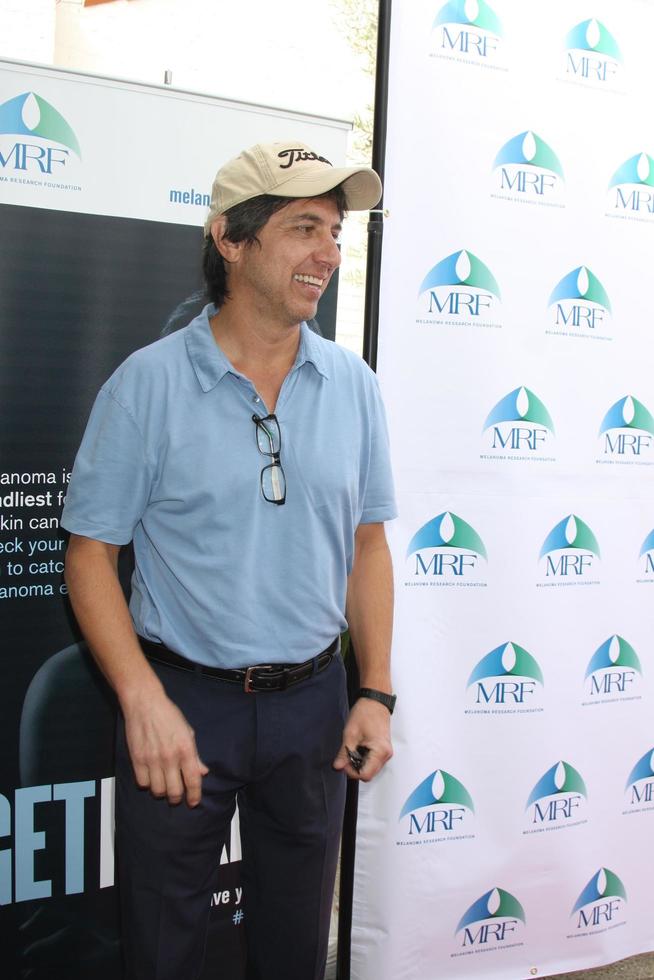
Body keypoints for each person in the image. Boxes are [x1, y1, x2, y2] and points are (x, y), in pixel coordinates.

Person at [61, 139, 397, 980]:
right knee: (165, 946)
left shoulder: (354, 386)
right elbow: (90, 555)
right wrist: (140, 698)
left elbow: (369, 545)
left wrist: (376, 690)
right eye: (304, 228)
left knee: (294, 949)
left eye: (336, 233)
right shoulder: (147, 385)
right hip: (182, 708)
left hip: (315, 709)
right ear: (231, 239)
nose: (328, 253)